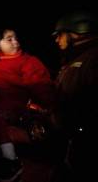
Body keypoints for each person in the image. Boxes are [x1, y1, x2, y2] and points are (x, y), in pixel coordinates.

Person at [0, 28, 58, 182]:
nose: (16, 42)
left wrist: (49, 108)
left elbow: (42, 87)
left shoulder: (28, 61)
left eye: (16, 38)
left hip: (20, 111)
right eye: (9, 39)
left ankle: (11, 161)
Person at [51, 11, 98, 182]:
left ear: (75, 32)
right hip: (73, 144)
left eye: (59, 35)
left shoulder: (92, 59)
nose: (57, 40)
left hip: (88, 147)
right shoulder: (75, 60)